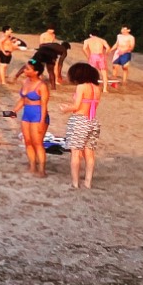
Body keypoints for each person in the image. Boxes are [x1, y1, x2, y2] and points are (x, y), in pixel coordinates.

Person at [64, 61, 103, 189]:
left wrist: (65, 108)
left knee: (76, 154)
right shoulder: (97, 88)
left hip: (80, 120)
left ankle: (75, 183)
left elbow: (77, 106)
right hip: (93, 122)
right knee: (89, 153)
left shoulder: (81, 87)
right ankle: (88, 182)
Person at [15, 64, 50, 175]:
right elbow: (23, 100)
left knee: (37, 143)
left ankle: (42, 170)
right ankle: (32, 165)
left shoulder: (42, 86)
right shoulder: (25, 82)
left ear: (36, 72)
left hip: (38, 114)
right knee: (28, 142)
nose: (24, 70)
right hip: (27, 113)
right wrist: (13, 111)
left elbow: (44, 105)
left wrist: (41, 121)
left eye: (27, 69)